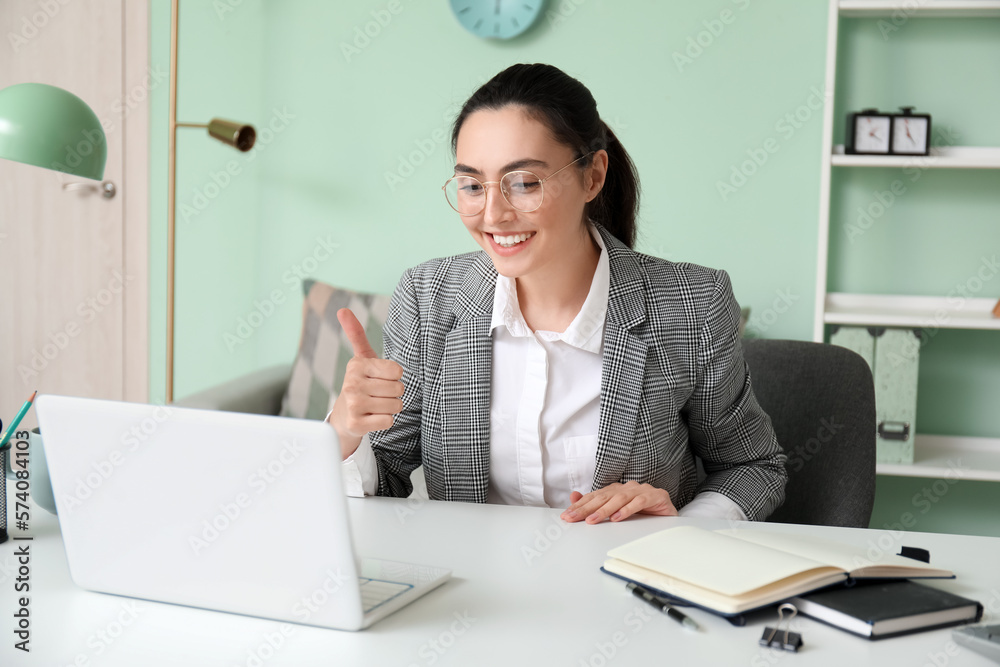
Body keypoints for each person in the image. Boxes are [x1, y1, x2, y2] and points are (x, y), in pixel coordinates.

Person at [327, 63, 787, 524]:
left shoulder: (692, 304)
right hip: (469, 587)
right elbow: (385, 476)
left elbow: (752, 467)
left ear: (593, 176)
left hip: (622, 583)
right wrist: (346, 430)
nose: (493, 214)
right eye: (471, 186)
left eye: (524, 183)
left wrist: (680, 527)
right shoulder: (429, 299)